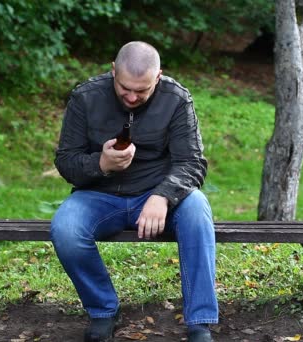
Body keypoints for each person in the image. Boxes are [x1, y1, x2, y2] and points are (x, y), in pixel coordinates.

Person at [51, 41, 218, 342]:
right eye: (125, 87)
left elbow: (192, 163)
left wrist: (163, 196)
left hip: (156, 195)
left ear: (158, 77)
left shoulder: (177, 99)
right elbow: (66, 162)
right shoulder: (85, 97)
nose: (131, 97)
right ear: (113, 71)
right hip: (98, 195)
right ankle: (103, 310)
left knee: (197, 209)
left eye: (142, 91)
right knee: (65, 228)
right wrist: (100, 163)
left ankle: (200, 322)